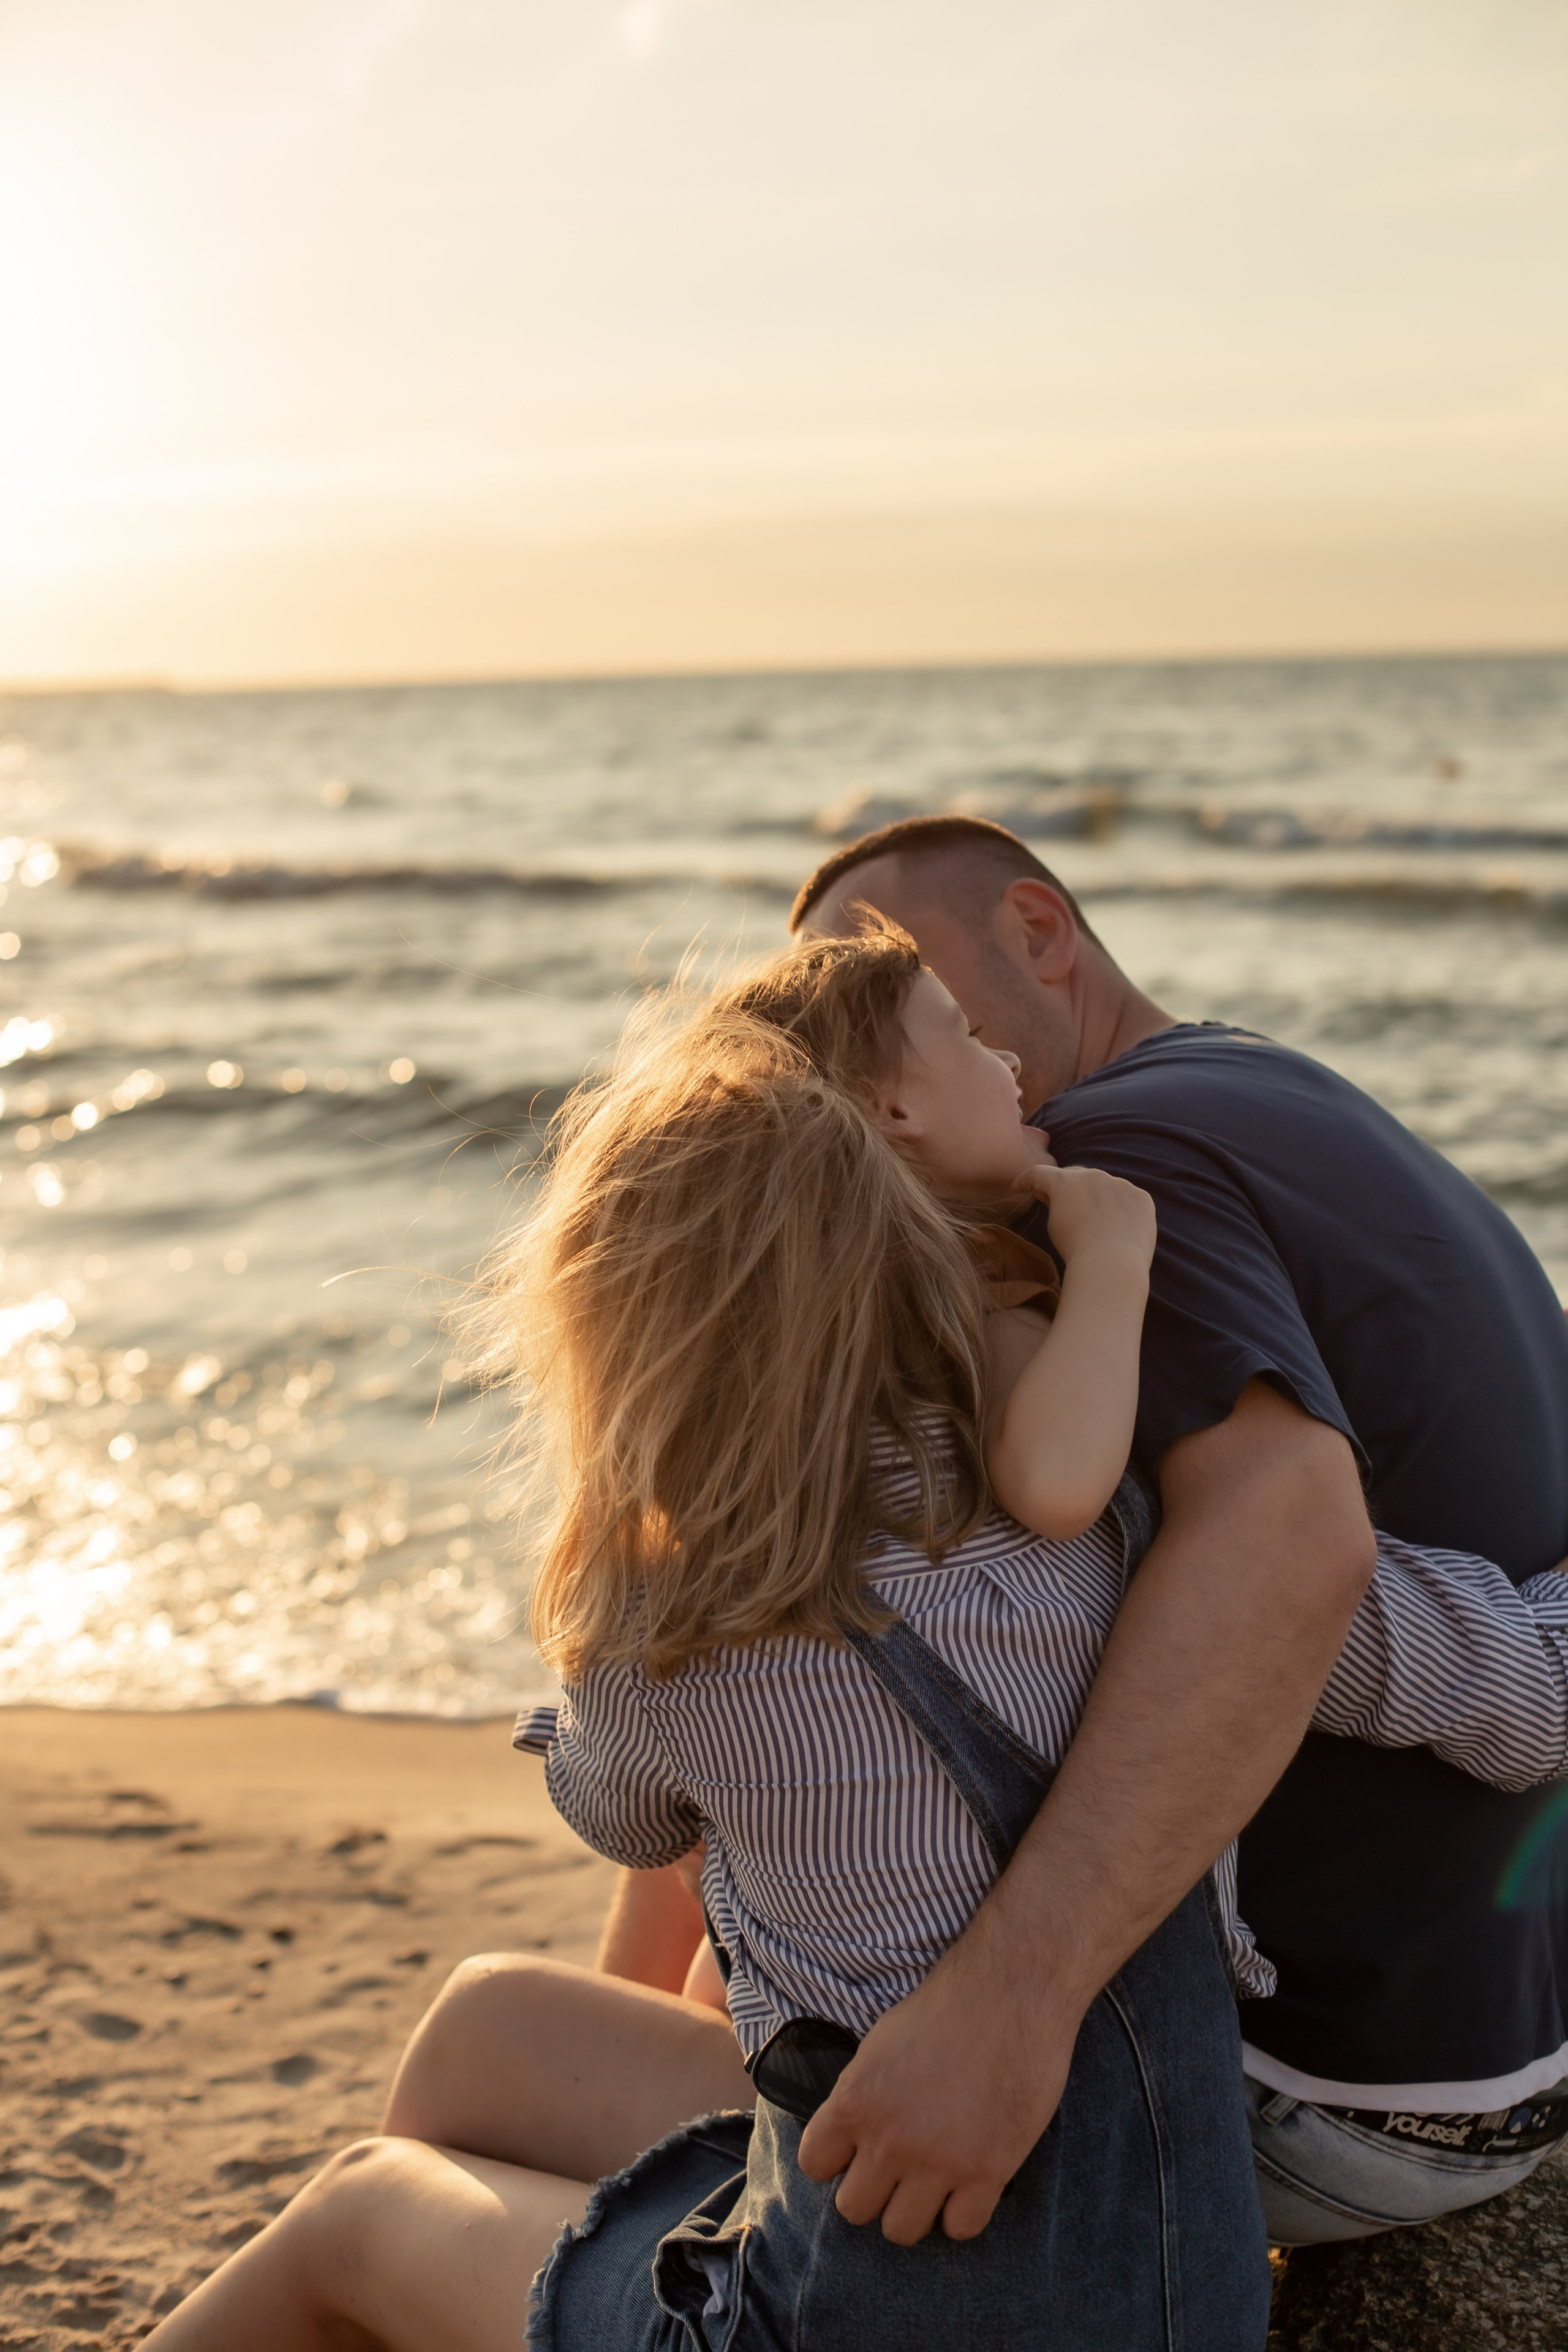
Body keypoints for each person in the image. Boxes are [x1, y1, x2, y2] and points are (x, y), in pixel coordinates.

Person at [148, 925, 1568, 2350]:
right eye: (955, 1026)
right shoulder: (1128, 1532)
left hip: (892, 2303)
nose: (1005, 1061)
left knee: (362, 2198)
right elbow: (1484, 1674)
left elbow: (622, 1816)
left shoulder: (667, 1617)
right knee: (494, 2028)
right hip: (1164, 2267)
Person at [741, 812, 1568, 2248]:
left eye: (902, 989)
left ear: (1039, 934)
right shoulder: (1266, 1087)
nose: (858, 1060)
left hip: (1328, 2083)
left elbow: (1290, 1549)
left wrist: (1008, 2006)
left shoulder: (1117, 1158)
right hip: (1502, 2039)